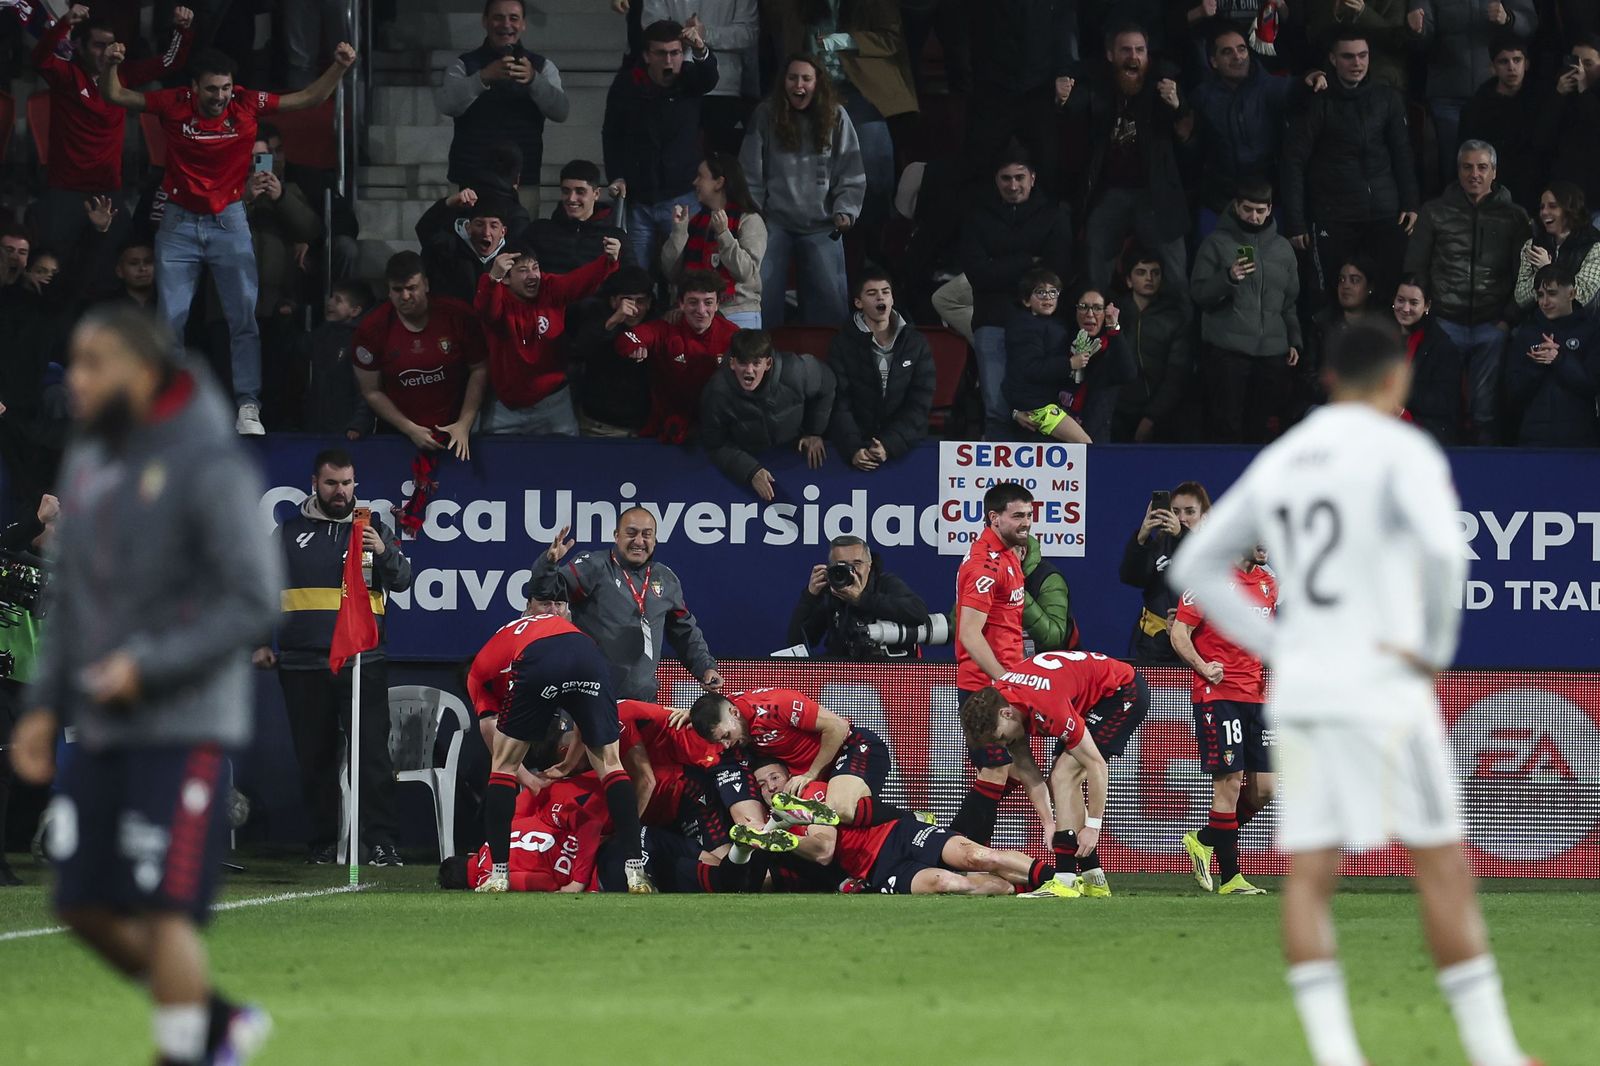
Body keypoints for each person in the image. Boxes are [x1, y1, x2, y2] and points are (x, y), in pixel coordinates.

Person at [1168, 320, 1536, 1066]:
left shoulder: (1286, 458)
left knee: (1311, 873)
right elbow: (1442, 562)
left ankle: (1337, 1054)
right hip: (1383, 681)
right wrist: (1429, 653)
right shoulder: (1405, 451)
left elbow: (1197, 563)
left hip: (1307, 688)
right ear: (1396, 382)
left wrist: (1278, 644)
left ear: (1329, 380)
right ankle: (1493, 1052)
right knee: (1440, 863)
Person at [10, 306, 280, 1065]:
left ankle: (185, 1052)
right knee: (82, 904)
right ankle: (219, 1021)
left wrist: (149, 665)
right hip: (101, 722)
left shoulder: (208, 461)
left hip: (183, 722)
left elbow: (253, 598)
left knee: (165, 910)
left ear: (142, 371)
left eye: (94, 366)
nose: (77, 383)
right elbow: (69, 594)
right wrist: (41, 708)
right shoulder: (91, 458)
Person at [100, 40, 358, 436]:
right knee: (170, 321)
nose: (219, 96)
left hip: (230, 220)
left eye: (225, 88)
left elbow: (308, 98)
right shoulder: (173, 103)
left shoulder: (247, 103)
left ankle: (248, 406)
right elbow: (115, 94)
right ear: (194, 87)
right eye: (211, 89)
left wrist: (339, 67)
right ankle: (168, 408)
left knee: (243, 320)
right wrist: (110, 64)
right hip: (178, 223)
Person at [254, 449, 410, 866]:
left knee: (372, 756)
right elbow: (260, 592)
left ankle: (381, 842)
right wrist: (258, 641)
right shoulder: (288, 533)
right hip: (303, 663)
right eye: (331, 484)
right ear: (314, 484)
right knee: (315, 758)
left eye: (347, 483)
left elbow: (403, 579)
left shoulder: (372, 528)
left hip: (363, 661)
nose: (341, 492)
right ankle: (323, 842)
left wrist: (384, 551)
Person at [471, 578, 654, 894]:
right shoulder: (553, 625)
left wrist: (526, 778)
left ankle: (498, 874)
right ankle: (635, 872)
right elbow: (584, 722)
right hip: (587, 652)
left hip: (539, 658)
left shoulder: (480, 673)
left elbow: (491, 732)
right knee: (611, 765)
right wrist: (570, 764)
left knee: (500, 768)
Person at [745, 759, 1049, 895]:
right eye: (761, 784)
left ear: (790, 777)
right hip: (877, 870)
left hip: (896, 834)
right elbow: (818, 866)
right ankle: (1021, 889)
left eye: (774, 778)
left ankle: (1057, 880)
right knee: (948, 884)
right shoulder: (779, 833)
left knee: (981, 858)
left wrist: (780, 841)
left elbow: (823, 848)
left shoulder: (813, 792)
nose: (770, 787)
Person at [932, 145, 1073, 440]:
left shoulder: (1053, 214)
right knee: (996, 409)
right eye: (1006, 178)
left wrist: (1000, 265)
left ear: (1032, 178)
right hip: (991, 321)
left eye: (1019, 177)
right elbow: (978, 273)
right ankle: (1000, 485)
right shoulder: (977, 217)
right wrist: (1026, 261)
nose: (1013, 185)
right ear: (996, 180)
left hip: (1040, 327)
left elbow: (1055, 271)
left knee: (1043, 409)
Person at [31, 4, 194, 252]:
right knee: (56, 261)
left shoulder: (123, 76)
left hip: (108, 190)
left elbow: (170, 62)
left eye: (109, 45)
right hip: (65, 189)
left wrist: (182, 31)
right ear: (81, 47)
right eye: (97, 45)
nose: (104, 52)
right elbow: (40, 59)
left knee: (113, 260)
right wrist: (65, 22)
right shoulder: (67, 75)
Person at [956, 655, 1121, 899]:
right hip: (1085, 695)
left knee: (1064, 774)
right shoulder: (1009, 708)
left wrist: (1093, 827)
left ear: (1006, 714)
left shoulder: (1044, 705)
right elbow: (1029, 773)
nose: (1004, 744)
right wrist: (1048, 824)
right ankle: (1093, 877)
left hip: (1117, 693)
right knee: (1062, 779)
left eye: (1001, 737)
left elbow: (1096, 766)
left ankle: (1065, 880)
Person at [1402, 139, 1529, 443]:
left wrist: (1507, 320)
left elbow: (1524, 274)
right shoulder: (1434, 212)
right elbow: (1415, 268)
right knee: (1442, 407)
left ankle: (1485, 473)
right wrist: (1429, 316)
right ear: (1457, 170)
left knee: (1485, 410)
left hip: (1492, 323)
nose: (1475, 173)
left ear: (1494, 172)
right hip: (1444, 322)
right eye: (1467, 166)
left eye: (1482, 167)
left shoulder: (1515, 217)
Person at [1280, 30, 1418, 303]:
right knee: (1329, 295)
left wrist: (1411, 201)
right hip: (1334, 215)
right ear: (1332, 59)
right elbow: (1293, 162)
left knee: (1387, 292)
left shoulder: (1387, 98)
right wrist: (1295, 221)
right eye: (1348, 56)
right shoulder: (1317, 100)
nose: (1357, 63)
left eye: (1363, 55)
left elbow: (1403, 154)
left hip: (1384, 211)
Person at [1172, 541, 1278, 896]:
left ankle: (1204, 840)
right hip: (1218, 695)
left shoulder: (1268, 582)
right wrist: (1203, 668)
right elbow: (1179, 633)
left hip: (1257, 695)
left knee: (1264, 789)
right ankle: (1231, 878)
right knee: (1230, 782)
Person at [529, 507, 722, 702]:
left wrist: (705, 666)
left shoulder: (665, 579)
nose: (639, 541)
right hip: (591, 700)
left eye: (647, 535)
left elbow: (684, 632)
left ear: (655, 540)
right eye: (631, 533)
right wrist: (549, 563)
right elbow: (548, 591)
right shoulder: (594, 566)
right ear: (616, 535)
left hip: (643, 702)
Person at [1060, 23, 1196, 299]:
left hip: (1156, 195)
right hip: (1109, 192)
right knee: (1094, 275)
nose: (1133, 57)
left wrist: (1178, 107)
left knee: (1176, 278)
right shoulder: (1095, 86)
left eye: (1140, 50)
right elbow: (1073, 127)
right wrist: (1061, 99)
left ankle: (1180, 338)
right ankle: (1094, 338)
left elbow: (1191, 146)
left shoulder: (1165, 87)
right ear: (1110, 55)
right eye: (1125, 50)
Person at [769, 0, 918, 244]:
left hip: (858, 89)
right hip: (811, 89)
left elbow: (892, 39)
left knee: (876, 162)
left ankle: (876, 241)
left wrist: (843, 40)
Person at [741, 55, 864, 327]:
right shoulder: (766, 113)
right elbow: (750, 171)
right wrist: (756, 215)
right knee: (761, 301)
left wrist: (845, 210)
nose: (799, 84)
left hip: (822, 226)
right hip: (774, 223)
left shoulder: (836, 116)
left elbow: (851, 170)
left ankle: (825, 367)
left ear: (818, 83)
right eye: (792, 77)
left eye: (806, 78)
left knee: (830, 311)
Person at [949, 482, 1042, 845]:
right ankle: (966, 853)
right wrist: (1004, 680)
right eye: (1018, 516)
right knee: (998, 769)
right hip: (984, 689)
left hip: (1007, 684)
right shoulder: (983, 566)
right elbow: (970, 634)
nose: (1027, 523)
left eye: (1030, 515)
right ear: (994, 517)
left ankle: (953, 844)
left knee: (1021, 772)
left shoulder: (1007, 554)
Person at [688, 687, 892, 834]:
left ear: (734, 713)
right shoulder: (728, 714)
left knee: (841, 809)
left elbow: (837, 727)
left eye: (725, 736)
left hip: (853, 748)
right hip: (820, 774)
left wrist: (811, 774)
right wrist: (687, 713)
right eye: (719, 741)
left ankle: (912, 818)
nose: (726, 745)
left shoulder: (777, 705)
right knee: (827, 824)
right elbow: (715, 705)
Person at [602, 19, 720, 271]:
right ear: (647, 55)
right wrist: (616, 176)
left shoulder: (689, 79)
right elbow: (611, 134)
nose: (669, 60)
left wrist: (700, 48)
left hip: (682, 193)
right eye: (661, 53)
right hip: (638, 195)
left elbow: (710, 77)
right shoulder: (628, 84)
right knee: (634, 272)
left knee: (685, 272)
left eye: (675, 53)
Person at [1191, 179, 1302, 443]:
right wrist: (1227, 277)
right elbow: (1199, 295)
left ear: (1270, 209)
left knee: (1263, 429)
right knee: (1226, 426)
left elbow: (1289, 302)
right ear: (1237, 207)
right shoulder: (1216, 244)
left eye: (1260, 210)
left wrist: (1294, 339)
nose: (1254, 216)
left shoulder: (1283, 249)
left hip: (1272, 353)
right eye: (1248, 209)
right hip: (1228, 352)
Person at [474, 239, 620, 435]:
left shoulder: (549, 288)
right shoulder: (496, 297)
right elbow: (486, 310)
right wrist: (492, 280)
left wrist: (608, 261)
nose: (533, 276)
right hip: (505, 409)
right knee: (496, 462)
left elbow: (578, 281)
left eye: (535, 268)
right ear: (506, 279)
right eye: (523, 270)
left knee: (567, 462)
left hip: (554, 404)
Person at [438, 0, 570, 216]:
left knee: (521, 246)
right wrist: (483, 77)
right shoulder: (464, 65)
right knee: (463, 246)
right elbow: (447, 104)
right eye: (498, 17)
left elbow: (561, 111)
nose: (506, 24)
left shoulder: (542, 66)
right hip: (468, 180)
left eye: (513, 18)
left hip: (523, 181)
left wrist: (533, 80)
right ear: (485, 21)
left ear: (523, 24)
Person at [353, 251, 487, 461]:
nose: (405, 296)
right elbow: (371, 391)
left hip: (458, 431)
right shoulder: (371, 330)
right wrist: (409, 429)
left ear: (425, 284)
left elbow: (479, 368)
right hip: (399, 435)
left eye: (411, 288)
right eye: (397, 290)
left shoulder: (458, 315)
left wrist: (464, 424)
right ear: (388, 291)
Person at [698, 329, 836, 500]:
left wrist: (814, 431)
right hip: (752, 453)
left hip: (795, 451)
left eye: (756, 363)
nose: (749, 371)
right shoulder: (717, 393)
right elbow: (715, 445)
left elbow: (828, 383)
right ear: (732, 363)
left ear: (768, 363)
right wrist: (750, 471)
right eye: (743, 363)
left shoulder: (796, 370)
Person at [1412, 0, 1537, 187]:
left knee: (1501, 166)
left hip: (1495, 93)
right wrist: (1417, 30)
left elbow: (1530, 23)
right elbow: (1421, 36)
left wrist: (1509, 18)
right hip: (1448, 92)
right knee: (1455, 168)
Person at [826, 270, 935, 470]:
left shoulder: (916, 343)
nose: (880, 297)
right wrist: (853, 448)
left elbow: (919, 403)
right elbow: (839, 401)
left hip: (903, 448)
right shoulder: (842, 344)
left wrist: (889, 444)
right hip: (857, 446)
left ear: (892, 298)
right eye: (872, 293)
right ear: (858, 302)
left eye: (885, 292)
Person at [615, 269, 741, 442]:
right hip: (664, 431)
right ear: (681, 304)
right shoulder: (666, 329)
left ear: (718, 304)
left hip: (715, 430)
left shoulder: (732, 335)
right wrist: (635, 346)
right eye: (693, 302)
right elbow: (627, 338)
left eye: (708, 302)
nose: (701, 310)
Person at [1005, 274, 1133, 444]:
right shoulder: (1061, 340)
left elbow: (1128, 373)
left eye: (1097, 308)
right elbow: (1023, 376)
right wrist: (1015, 413)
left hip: (1093, 441)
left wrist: (1114, 328)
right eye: (1083, 307)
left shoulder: (1111, 345)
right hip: (1052, 440)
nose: (1090, 314)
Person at [1188, 27, 1291, 235]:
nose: (1238, 57)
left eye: (1242, 49)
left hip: (1267, 201)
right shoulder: (1201, 97)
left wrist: (1312, 77)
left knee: (1268, 265)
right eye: (1227, 52)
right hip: (1218, 201)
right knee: (1215, 264)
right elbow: (1193, 153)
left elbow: (1300, 90)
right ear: (1213, 62)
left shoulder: (1270, 87)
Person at [661, 152, 767, 329]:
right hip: (698, 312)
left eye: (701, 176)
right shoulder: (695, 221)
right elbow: (671, 272)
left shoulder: (749, 219)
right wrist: (679, 231)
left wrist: (724, 234)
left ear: (719, 183)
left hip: (737, 312)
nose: (695, 182)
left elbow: (745, 272)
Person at [787, 534, 930, 659]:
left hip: (887, 670)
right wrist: (809, 596)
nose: (851, 572)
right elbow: (798, 644)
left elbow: (919, 612)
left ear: (869, 565)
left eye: (857, 563)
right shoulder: (831, 593)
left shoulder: (885, 583)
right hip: (843, 676)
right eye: (842, 565)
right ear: (831, 568)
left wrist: (862, 599)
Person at [641, 2, 758, 153]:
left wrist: (705, 34)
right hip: (674, 84)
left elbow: (749, 33)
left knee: (719, 164)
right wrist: (687, 35)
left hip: (723, 87)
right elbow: (652, 27)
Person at [1504, 264, 1600, 446]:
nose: (1544, 302)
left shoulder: (1592, 331)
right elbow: (1513, 392)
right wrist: (1537, 364)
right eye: (1540, 295)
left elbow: (1592, 385)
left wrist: (1559, 359)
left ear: (1571, 294)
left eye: (1552, 294)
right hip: (1533, 438)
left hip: (1580, 440)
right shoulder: (1526, 333)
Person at [1119, 481, 1209, 662]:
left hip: (1201, 647)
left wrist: (1184, 624)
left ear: (1205, 517)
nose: (1181, 518)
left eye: (1190, 512)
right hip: (1156, 646)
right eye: (1175, 512)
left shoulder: (1215, 550)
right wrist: (1142, 537)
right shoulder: (1158, 546)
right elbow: (1131, 578)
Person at [1111, 249, 1193, 442]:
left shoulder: (1175, 317)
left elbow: (1177, 374)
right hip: (1116, 411)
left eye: (1155, 273)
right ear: (1128, 280)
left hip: (1160, 412)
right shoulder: (1113, 313)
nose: (1149, 278)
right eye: (1141, 272)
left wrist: (1151, 418)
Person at [1457, 34, 1544, 213]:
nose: (1512, 67)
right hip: (1492, 193)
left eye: (1517, 60)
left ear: (1526, 64)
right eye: (1504, 61)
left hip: (1533, 188)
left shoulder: (1541, 101)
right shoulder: (1476, 107)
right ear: (1493, 68)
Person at [567, 266, 656, 436]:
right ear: (613, 301)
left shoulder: (657, 323)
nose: (634, 309)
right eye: (627, 300)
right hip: (599, 426)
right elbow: (580, 348)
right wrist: (613, 322)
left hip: (645, 428)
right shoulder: (594, 317)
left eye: (641, 301)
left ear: (650, 302)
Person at [1391, 274, 1467, 445]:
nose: (1405, 308)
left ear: (1427, 306)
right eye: (1401, 300)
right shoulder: (1381, 337)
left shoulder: (1442, 346)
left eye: (1414, 303)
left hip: (1426, 431)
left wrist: (1401, 403)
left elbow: (1445, 403)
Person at [415, 188, 522, 304]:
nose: (486, 232)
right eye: (479, 224)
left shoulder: (513, 257)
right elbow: (425, 229)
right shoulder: (450, 248)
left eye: (494, 226)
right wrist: (449, 202)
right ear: (468, 227)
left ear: (503, 231)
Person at [296, 280, 374, 437]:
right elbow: (299, 348)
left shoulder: (360, 342)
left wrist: (358, 425)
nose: (330, 303)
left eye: (338, 300)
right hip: (315, 425)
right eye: (331, 298)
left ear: (355, 310)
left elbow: (365, 390)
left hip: (345, 429)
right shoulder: (322, 334)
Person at [524, 159, 628, 274]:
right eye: (566, 191)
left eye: (580, 191)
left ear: (596, 194)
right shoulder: (539, 231)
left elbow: (635, 283)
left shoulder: (615, 237)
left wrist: (615, 261)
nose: (571, 198)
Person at [1535, 35, 1600, 212]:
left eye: (1588, 63)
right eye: (1575, 61)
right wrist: (1558, 96)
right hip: (1563, 190)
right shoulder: (1557, 93)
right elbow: (1542, 138)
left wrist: (1584, 91)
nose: (1579, 69)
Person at [1514, 181, 1600, 309]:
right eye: (1542, 207)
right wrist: (1541, 274)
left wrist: (1547, 270)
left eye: (1552, 206)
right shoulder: (1532, 245)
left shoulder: (1594, 246)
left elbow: (1582, 295)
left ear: (1570, 209)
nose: (1544, 212)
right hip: (1538, 321)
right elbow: (1520, 298)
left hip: (1577, 324)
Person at [1016, 532, 1079, 654]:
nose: (996, 560)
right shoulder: (985, 574)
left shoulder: (1048, 579)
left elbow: (1054, 637)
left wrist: (1018, 594)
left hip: (1051, 664)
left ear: (1022, 552)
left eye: (1003, 554)